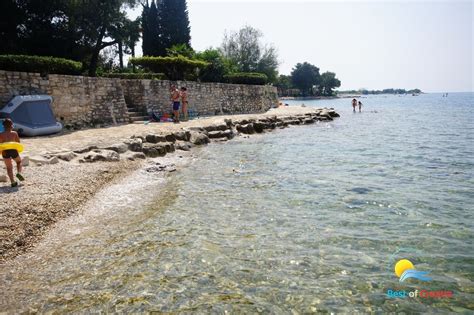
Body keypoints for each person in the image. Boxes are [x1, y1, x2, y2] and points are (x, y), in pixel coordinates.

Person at [0, 119, 24, 187]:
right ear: (11, 125)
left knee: (9, 167)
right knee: (19, 162)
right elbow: (18, 143)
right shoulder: (14, 133)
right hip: (13, 150)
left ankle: (12, 182)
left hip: (5, 152)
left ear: (3, 126)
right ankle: (19, 173)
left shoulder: (1, 134)